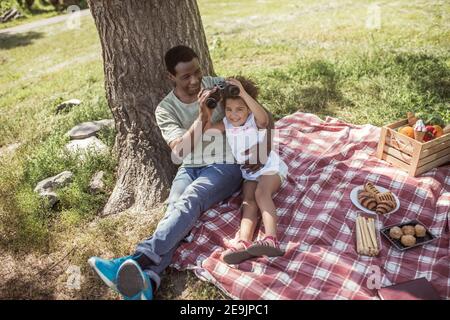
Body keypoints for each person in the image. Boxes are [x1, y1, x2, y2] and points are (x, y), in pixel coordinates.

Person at [88, 45, 268, 300]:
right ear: (170, 77)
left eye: (197, 72)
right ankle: (151, 279)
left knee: (191, 198)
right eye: (186, 76)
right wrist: (202, 116)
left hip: (224, 163)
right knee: (174, 209)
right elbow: (180, 152)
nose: (195, 80)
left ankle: (137, 257)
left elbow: (257, 117)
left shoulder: (217, 86)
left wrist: (236, 92)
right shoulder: (165, 109)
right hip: (189, 165)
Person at [204, 77, 288, 265]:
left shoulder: (253, 120)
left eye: (239, 109)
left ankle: (271, 239)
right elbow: (207, 129)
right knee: (247, 201)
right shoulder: (226, 123)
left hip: (270, 167)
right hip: (249, 172)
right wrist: (207, 107)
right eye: (229, 109)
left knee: (261, 193)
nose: (234, 115)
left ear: (248, 108)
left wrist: (242, 92)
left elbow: (265, 120)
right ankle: (243, 242)